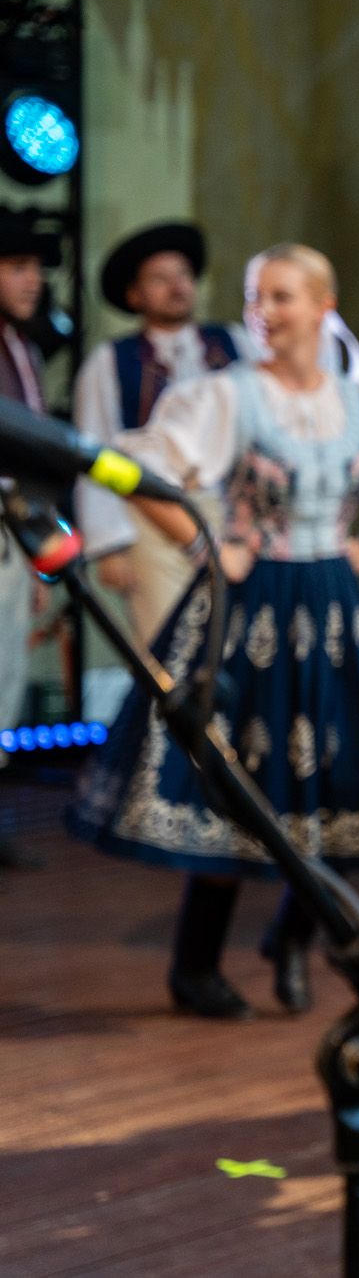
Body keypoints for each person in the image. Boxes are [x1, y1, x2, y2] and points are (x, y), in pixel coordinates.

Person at [69, 243, 359, 1019]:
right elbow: (137, 470)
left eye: (282, 296)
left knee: (337, 777)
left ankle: (292, 935)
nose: (264, 312)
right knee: (238, 778)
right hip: (251, 603)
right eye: (256, 297)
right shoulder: (227, 395)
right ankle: (194, 966)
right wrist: (203, 546)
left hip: (331, 602)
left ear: (324, 306)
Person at [72, 222, 253, 645]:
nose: (177, 287)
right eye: (160, 278)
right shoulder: (111, 360)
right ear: (135, 295)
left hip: (229, 511)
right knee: (166, 642)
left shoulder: (234, 343)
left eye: (183, 275)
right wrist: (111, 544)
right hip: (150, 515)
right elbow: (96, 452)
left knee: (235, 638)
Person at [0, 213, 56, 860]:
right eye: (17, 267)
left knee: (8, 671)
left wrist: (41, 552)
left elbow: (34, 459)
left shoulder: (23, 349)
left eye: (35, 268)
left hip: (15, 529)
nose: (32, 281)